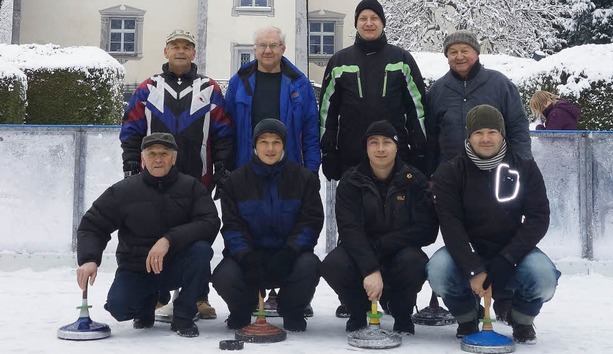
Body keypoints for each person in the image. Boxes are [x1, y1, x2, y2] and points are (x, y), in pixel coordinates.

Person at [119, 29, 233, 319]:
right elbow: (131, 130)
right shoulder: (147, 88)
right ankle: (156, 293)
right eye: (175, 46)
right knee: (152, 234)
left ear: (194, 53)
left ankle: (197, 297)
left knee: (198, 238)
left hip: (198, 180)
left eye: (186, 47)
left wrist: (221, 166)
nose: (181, 51)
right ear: (165, 51)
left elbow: (223, 133)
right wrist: (131, 164)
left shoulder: (210, 89)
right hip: (152, 181)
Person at [427, 105, 560, 344]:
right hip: (468, 250)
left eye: (492, 132)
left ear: (502, 134)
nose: (485, 139)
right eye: (478, 133)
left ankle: (520, 319)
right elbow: (450, 224)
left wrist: (508, 258)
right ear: (468, 136)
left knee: (543, 276)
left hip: (513, 250)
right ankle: (467, 318)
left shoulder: (525, 167)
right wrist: (473, 268)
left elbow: (538, 217)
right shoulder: (450, 172)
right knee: (438, 269)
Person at [75, 133, 220, 338]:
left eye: (164, 153)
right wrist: (89, 259)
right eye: (152, 154)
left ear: (174, 158)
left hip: (176, 266)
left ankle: (184, 315)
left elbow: (210, 222)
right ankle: (150, 300)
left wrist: (169, 239)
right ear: (143, 158)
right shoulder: (123, 191)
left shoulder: (191, 187)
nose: (158, 159)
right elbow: (92, 225)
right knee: (119, 308)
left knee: (201, 251)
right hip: (137, 269)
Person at [320, 121, 439, 335]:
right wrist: (370, 268)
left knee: (415, 261)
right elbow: (349, 229)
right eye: (374, 143)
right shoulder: (351, 180)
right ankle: (357, 312)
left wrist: (384, 244)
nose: (380, 149)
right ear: (366, 147)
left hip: (399, 253)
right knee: (334, 263)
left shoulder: (414, 180)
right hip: (361, 252)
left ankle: (401, 314)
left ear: (396, 146)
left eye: (386, 142)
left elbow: (427, 229)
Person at [211, 119, 324, 332]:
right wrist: (246, 256)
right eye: (264, 142)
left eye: (276, 142)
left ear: (284, 145)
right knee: (224, 275)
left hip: (289, 255)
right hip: (250, 258)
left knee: (310, 265)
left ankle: (292, 310)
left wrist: (290, 252)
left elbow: (310, 223)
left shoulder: (303, 179)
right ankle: (242, 310)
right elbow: (232, 227)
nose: (270, 148)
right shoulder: (236, 181)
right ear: (255, 145)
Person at [318, 0, 428, 181]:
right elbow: (327, 111)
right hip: (351, 157)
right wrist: (328, 150)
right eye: (363, 18)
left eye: (374, 18)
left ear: (383, 22)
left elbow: (417, 109)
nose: (368, 23)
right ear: (356, 23)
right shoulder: (340, 61)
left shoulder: (402, 60)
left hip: (395, 159)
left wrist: (419, 149)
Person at [424, 30, 532, 179]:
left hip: (496, 173)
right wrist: (430, 174)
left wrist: (522, 165)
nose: (459, 56)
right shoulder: (437, 91)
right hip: (450, 176)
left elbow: (517, 126)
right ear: (447, 57)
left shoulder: (500, 84)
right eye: (453, 52)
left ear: (476, 53)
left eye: (465, 51)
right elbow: (430, 137)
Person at [225, 26, 320, 173]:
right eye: (262, 45)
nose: (267, 50)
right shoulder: (238, 83)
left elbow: (311, 133)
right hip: (246, 169)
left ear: (282, 49)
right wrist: (227, 170)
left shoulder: (300, 85)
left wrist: (312, 172)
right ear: (255, 49)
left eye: (273, 45)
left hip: (289, 169)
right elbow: (228, 130)